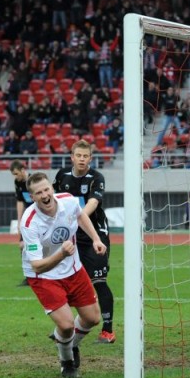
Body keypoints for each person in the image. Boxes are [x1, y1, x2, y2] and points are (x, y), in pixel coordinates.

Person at [20, 172, 104, 378]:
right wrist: (61, 254)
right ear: (33, 197)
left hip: (73, 269)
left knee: (93, 319)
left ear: (52, 189)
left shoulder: (68, 201)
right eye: (38, 193)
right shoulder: (29, 222)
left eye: (47, 189)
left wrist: (95, 239)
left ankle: (68, 344)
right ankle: (67, 363)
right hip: (44, 276)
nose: (44, 195)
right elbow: (38, 266)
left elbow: (80, 215)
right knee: (66, 325)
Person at [53, 140, 117, 343]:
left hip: (94, 234)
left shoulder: (96, 178)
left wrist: (74, 218)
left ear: (90, 158)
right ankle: (68, 327)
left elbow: (93, 202)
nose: (82, 159)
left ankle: (107, 330)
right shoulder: (62, 175)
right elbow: (55, 201)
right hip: (71, 235)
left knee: (99, 281)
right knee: (67, 280)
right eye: (78, 155)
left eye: (85, 156)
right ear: (72, 157)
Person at [10, 159, 32, 286]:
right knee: (22, 246)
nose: (15, 177)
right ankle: (28, 277)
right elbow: (19, 201)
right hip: (27, 218)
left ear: (23, 170)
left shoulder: (34, 180)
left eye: (16, 173)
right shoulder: (17, 183)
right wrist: (19, 220)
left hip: (39, 218)